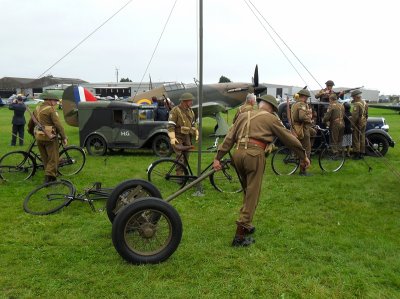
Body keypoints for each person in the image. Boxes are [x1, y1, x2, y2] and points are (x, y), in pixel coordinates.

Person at [213, 95, 310, 247]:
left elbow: (229, 138)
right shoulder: (271, 119)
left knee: (247, 190)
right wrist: (303, 155)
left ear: (261, 104)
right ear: (272, 108)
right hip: (254, 155)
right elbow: (289, 138)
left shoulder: (244, 115)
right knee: (253, 193)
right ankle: (239, 235)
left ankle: (247, 223)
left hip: (238, 154)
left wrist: (218, 157)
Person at [27, 92, 68, 183]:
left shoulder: (37, 109)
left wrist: (32, 133)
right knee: (53, 159)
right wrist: (64, 137)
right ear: (49, 100)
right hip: (50, 137)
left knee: (45, 158)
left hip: (39, 137)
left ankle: (50, 173)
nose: (56, 103)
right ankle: (50, 179)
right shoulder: (51, 110)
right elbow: (58, 125)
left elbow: (31, 123)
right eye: (55, 101)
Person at [167, 92, 198, 175]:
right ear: (184, 101)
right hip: (177, 136)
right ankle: (179, 174)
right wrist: (173, 138)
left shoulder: (191, 111)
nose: (191, 102)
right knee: (179, 156)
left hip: (187, 136)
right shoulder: (175, 111)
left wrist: (195, 132)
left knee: (187, 155)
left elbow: (193, 123)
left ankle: (184, 171)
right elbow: (170, 125)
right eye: (190, 101)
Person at [291, 89, 313, 175]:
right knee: (306, 149)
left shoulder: (295, 104)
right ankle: (303, 170)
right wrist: (310, 120)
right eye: (307, 97)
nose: (307, 99)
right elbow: (302, 117)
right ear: (304, 97)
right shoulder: (302, 104)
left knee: (313, 132)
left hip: (296, 127)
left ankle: (298, 157)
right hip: (302, 128)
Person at [350, 89, 368, 159]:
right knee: (362, 138)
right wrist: (365, 120)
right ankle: (362, 153)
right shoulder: (365, 103)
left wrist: (352, 125)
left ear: (356, 97)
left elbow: (355, 116)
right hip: (363, 122)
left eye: (353, 97)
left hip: (358, 123)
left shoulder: (357, 104)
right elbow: (366, 114)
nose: (353, 98)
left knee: (356, 138)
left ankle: (357, 154)